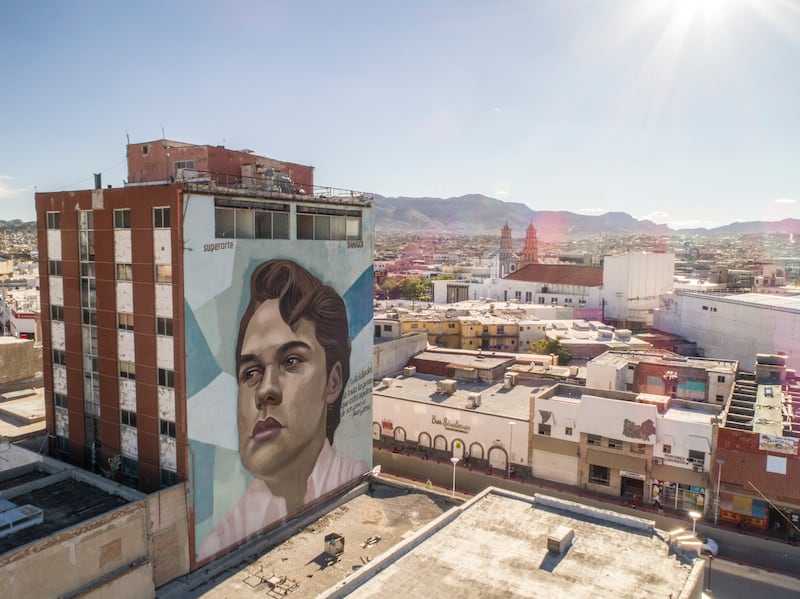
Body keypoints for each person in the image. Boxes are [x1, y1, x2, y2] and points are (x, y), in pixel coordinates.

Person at [199, 259, 367, 559]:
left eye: (291, 361)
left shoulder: (357, 481)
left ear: (333, 381)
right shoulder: (220, 540)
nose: (265, 391)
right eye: (251, 372)